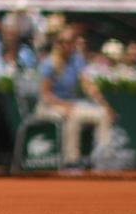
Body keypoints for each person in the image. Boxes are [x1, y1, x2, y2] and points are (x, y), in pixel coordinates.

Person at [31, 37, 114, 171]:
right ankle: (71, 161)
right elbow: (45, 95)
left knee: (103, 114)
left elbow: (88, 87)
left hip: (70, 105)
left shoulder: (76, 60)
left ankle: (103, 158)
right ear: (58, 44)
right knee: (73, 116)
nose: (68, 46)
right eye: (65, 42)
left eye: (71, 42)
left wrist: (105, 105)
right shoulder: (48, 63)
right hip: (47, 106)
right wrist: (64, 105)